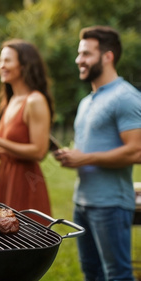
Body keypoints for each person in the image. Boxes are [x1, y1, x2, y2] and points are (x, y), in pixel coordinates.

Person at [54, 26, 141, 281]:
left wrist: (86, 158)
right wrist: (73, 157)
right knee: (91, 273)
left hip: (111, 205)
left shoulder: (126, 97)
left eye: (86, 54)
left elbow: (137, 151)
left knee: (118, 276)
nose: (78, 60)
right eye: (79, 54)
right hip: (83, 202)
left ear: (107, 56)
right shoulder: (87, 101)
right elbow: (92, 150)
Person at [0, 39, 54, 224]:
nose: (1, 66)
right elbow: (7, 153)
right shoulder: (11, 100)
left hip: (24, 183)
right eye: (0, 61)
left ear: (24, 65)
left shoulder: (34, 101)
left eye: (7, 60)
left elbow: (39, 151)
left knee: (26, 240)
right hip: (4, 177)